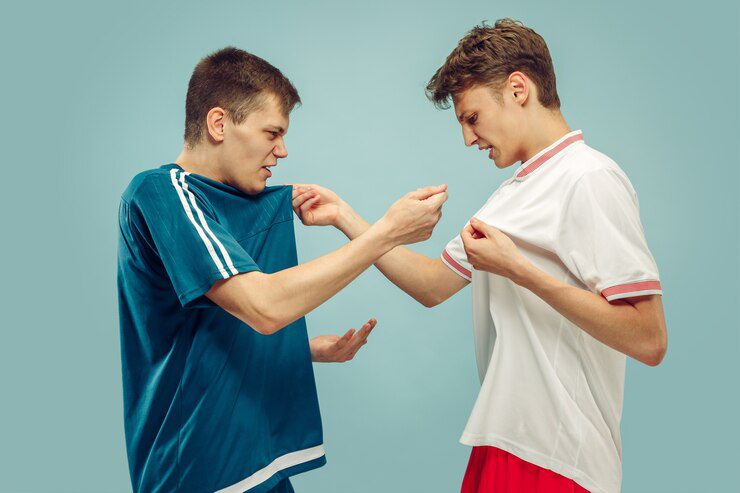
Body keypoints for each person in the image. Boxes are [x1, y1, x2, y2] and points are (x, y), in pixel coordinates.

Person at [292, 19, 667, 493]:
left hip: (560, 458)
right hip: (503, 438)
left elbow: (649, 338)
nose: (468, 139)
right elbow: (431, 285)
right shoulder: (512, 194)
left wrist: (519, 271)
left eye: (471, 118)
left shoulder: (589, 178)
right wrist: (345, 216)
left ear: (518, 89)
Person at [117, 47, 447, 493]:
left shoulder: (225, 200)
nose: (283, 151)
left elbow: (204, 327)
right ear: (219, 124)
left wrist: (303, 349)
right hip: (197, 470)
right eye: (272, 132)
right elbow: (264, 306)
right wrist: (386, 232)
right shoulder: (162, 193)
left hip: (257, 463)